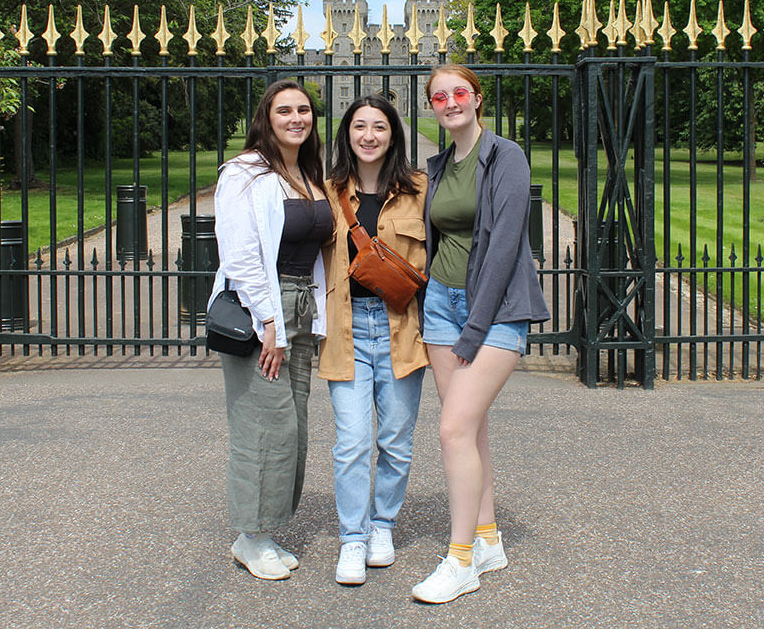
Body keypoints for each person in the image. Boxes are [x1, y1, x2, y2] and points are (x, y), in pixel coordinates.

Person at [410, 65, 550, 604]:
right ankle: (488, 539)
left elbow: (504, 247)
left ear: (477, 99)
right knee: (470, 429)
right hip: (442, 306)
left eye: (459, 92)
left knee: (451, 429)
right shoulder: (440, 164)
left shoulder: (506, 156)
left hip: (492, 312)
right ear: (431, 106)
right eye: (439, 96)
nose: (450, 102)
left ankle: (460, 558)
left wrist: (474, 328)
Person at [209, 79, 331, 581]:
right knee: (264, 425)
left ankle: (266, 528)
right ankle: (249, 535)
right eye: (285, 111)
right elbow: (239, 255)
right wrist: (269, 325)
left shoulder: (304, 172)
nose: (296, 118)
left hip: (300, 305)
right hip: (264, 308)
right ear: (267, 118)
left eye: (304, 110)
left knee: (293, 426)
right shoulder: (243, 173)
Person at [319, 95, 429, 586]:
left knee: (396, 441)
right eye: (359, 126)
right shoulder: (326, 192)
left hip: (401, 329)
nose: (369, 135)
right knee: (352, 442)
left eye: (379, 127)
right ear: (346, 133)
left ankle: (382, 525)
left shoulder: (419, 190)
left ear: (393, 134)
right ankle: (352, 538)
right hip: (346, 330)